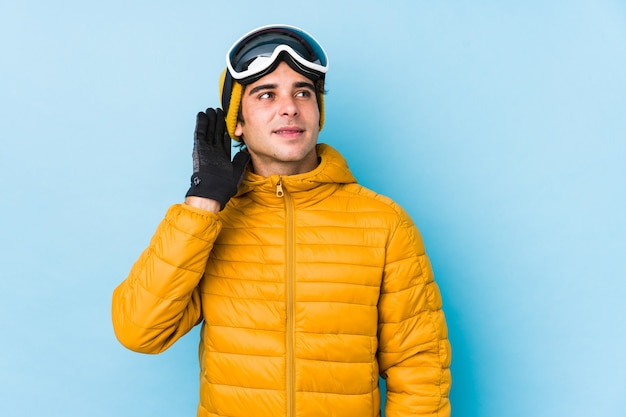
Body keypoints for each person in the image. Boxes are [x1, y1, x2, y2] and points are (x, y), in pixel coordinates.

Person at [112, 24, 451, 417]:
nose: (289, 107)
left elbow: (420, 368)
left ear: (318, 114)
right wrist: (203, 203)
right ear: (236, 123)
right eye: (266, 94)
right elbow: (139, 331)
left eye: (303, 93)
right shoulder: (208, 224)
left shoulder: (385, 223)